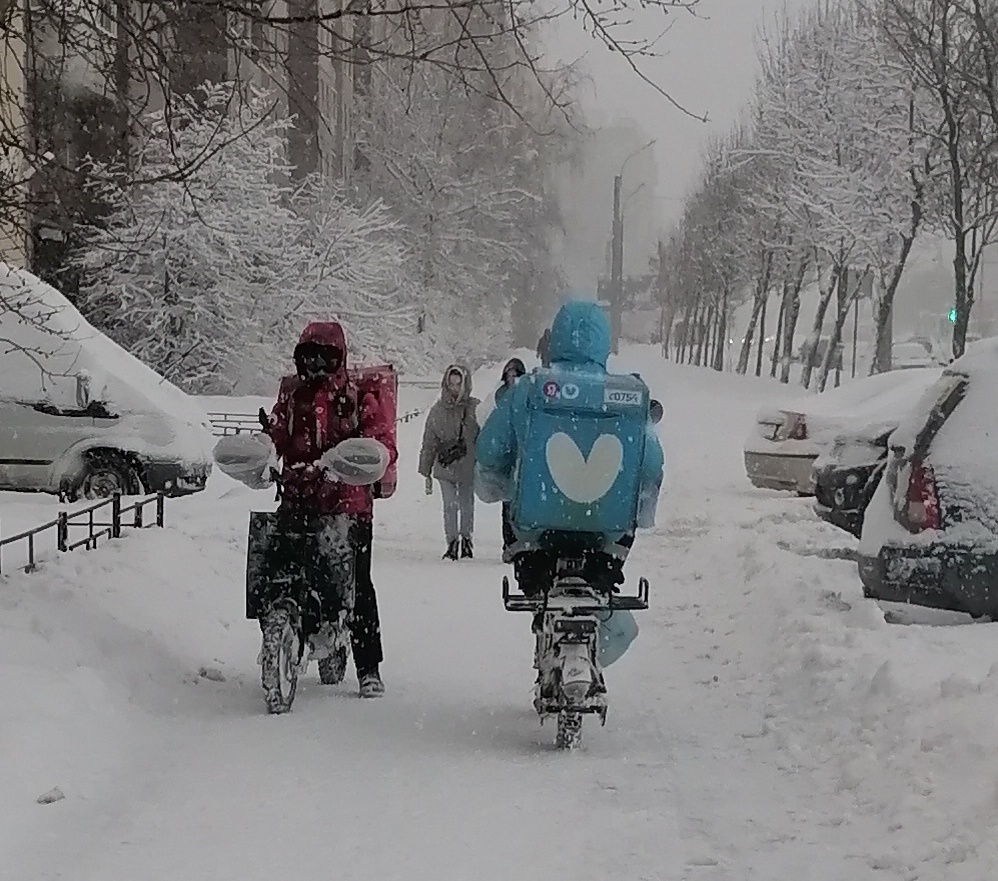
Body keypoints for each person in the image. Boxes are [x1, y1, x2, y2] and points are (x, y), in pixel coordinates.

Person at [476, 301, 664, 598]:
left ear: (556, 339)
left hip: (534, 538)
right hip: (606, 538)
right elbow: (652, 466)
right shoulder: (627, 395)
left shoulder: (527, 389)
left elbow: (489, 452)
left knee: (534, 579)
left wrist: (499, 484)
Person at [265, 321, 397, 699]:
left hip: (348, 505)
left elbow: (381, 439)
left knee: (356, 585)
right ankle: (286, 629)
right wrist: (262, 448)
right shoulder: (291, 395)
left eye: (326, 357)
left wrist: (359, 458)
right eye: (310, 357)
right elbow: (276, 430)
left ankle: (368, 668)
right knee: (278, 566)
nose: (317, 365)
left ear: (339, 358)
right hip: (296, 496)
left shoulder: (358, 395)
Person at [418, 364, 480, 560]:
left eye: (458, 384)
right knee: (450, 505)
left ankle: (466, 539)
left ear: (465, 384)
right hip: (445, 466)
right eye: (451, 384)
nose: (454, 388)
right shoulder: (437, 411)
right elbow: (429, 440)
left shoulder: (475, 408)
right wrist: (425, 469)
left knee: (466, 504)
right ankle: (452, 542)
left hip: (468, 465)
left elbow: (485, 437)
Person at [494, 357, 527, 554]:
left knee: (519, 503)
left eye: (515, 374)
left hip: (523, 455)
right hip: (507, 456)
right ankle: (508, 542)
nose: (512, 378)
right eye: (509, 374)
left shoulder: (527, 395)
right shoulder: (501, 395)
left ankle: (519, 540)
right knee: (506, 502)